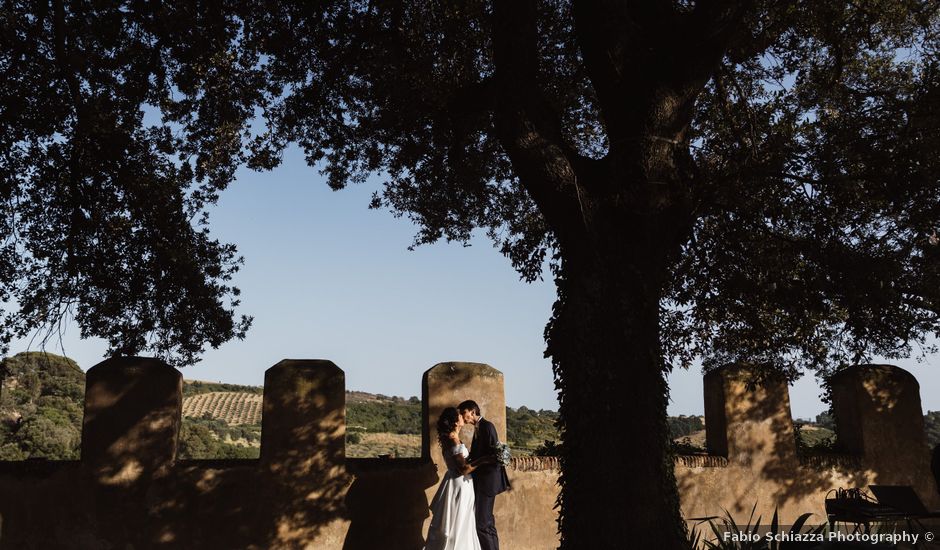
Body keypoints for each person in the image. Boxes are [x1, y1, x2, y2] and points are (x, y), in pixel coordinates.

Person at [424, 407, 495, 550]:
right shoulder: (452, 440)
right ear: (456, 422)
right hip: (460, 485)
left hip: (458, 483)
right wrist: (485, 459)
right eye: (459, 416)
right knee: (459, 522)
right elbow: (463, 469)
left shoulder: (451, 438)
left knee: (461, 521)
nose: (462, 416)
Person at [458, 400, 511, 550]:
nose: (462, 416)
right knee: (486, 522)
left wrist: (476, 463)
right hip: (481, 481)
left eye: (464, 412)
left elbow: (495, 456)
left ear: (473, 412)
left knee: (482, 523)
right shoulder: (478, 428)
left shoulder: (487, 426)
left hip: (487, 482)